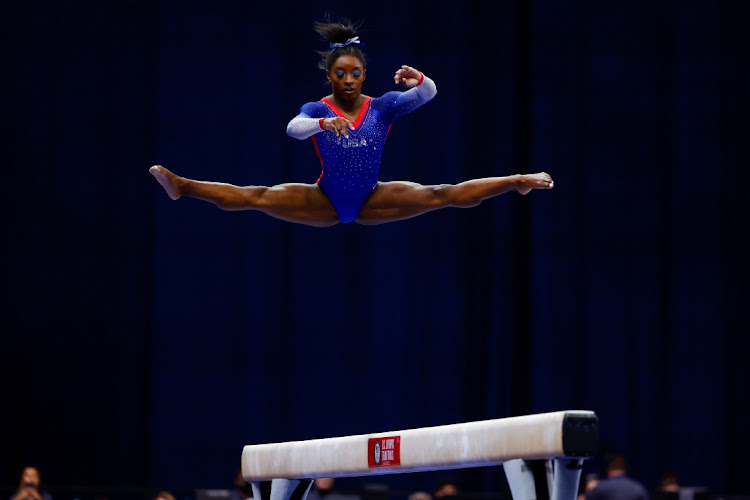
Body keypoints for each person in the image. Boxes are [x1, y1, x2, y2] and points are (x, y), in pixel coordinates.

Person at [149, 18, 554, 227]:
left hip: (374, 198)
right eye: (339, 74)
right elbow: (293, 128)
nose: (347, 80)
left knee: (440, 194)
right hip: (324, 198)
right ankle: (183, 187)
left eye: (354, 74)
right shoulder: (318, 108)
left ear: (364, 75)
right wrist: (324, 126)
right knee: (256, 196)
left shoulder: (384, 106)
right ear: (330, 77)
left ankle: (515, 180)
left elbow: (429, 95)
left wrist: (421, 80)